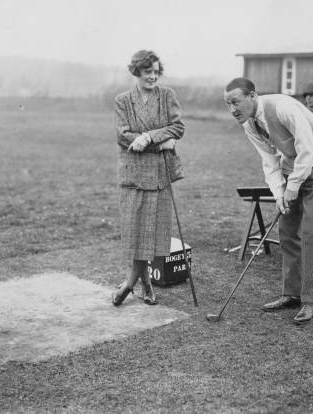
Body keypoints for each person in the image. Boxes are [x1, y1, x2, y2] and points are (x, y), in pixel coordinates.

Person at [224, 77, 313, 324]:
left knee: (310, 234)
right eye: (228, 104)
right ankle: (291, 294)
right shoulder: (249, 124)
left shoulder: (282, 107)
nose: (232, 109)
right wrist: (279, 194)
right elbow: (269, 160)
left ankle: (310, 300)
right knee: (287, 231)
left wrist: (293, 187)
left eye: (235, 102)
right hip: (292, 167)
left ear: (252, 96)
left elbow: (308, 149)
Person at [112, 50, 185, 306]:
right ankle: (144, 283)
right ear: (137, 72)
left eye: (156, 71)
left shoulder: (167, 96)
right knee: (136, 230)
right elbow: (123, 135)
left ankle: (131, 282)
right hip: (133, 173)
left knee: (151, 231)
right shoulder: (123, 100)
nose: (153, 76)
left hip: (159, 174)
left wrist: (147, 137)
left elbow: (178, 128)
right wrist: (160, 142)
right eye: (147, 72)